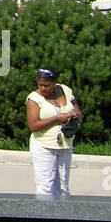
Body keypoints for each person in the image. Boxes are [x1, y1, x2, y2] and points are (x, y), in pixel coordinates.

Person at [26, 68, 83, 198]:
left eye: (46, 85)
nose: (43, 88)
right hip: (43, 146)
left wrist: (75, 115)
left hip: (65, 145)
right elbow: (33, 126)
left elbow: (79, 113)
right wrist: (56, 119)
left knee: (63, 188)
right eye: (40, 85)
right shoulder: (34, 98)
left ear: (55, 82)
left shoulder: (66, 90)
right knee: (45, 187)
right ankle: (44, 216)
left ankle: (63, 217)